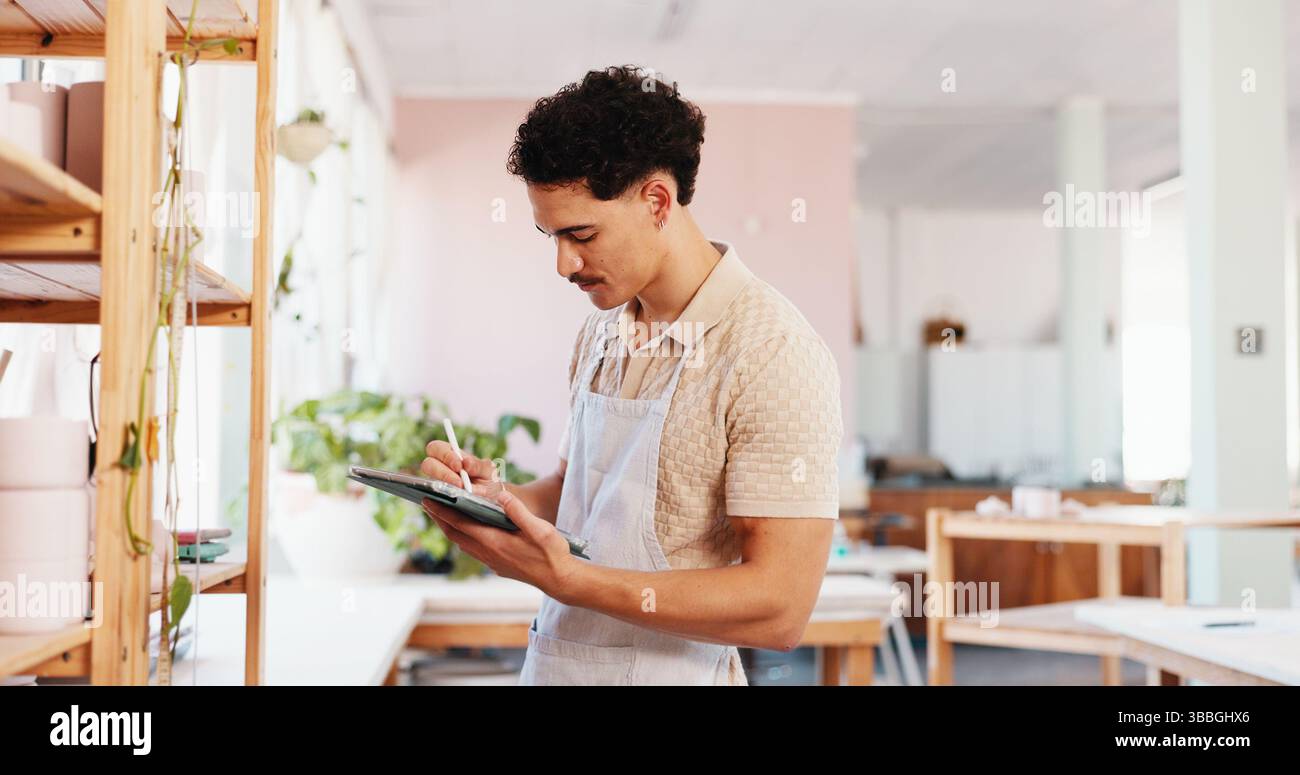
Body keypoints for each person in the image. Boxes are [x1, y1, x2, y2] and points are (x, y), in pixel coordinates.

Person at [420, 65, 843, 685]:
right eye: (551, 236)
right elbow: (579, 496)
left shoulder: (772, 351)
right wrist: (493, 504)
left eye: (581, 234)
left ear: (656, 202)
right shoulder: (603, 331)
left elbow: (780, 608)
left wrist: (568, 578)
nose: (564, 263)